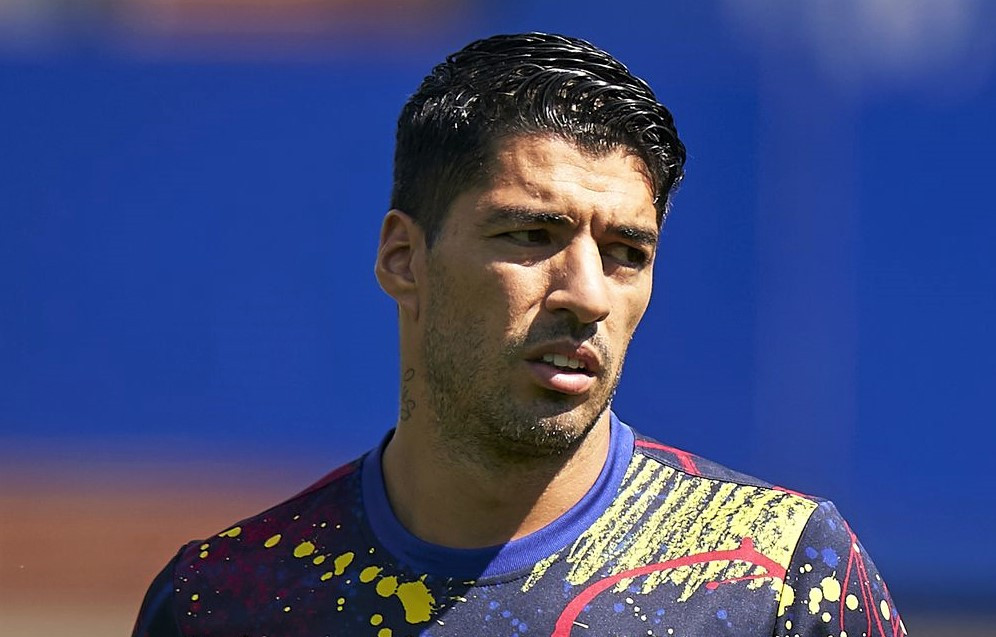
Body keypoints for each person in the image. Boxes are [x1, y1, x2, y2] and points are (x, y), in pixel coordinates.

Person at [133, 32, 906, 637]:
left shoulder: (778, 575)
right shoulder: (226, 599)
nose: (588, 295)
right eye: (532, 235)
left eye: (626, 252)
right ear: (404, 258)